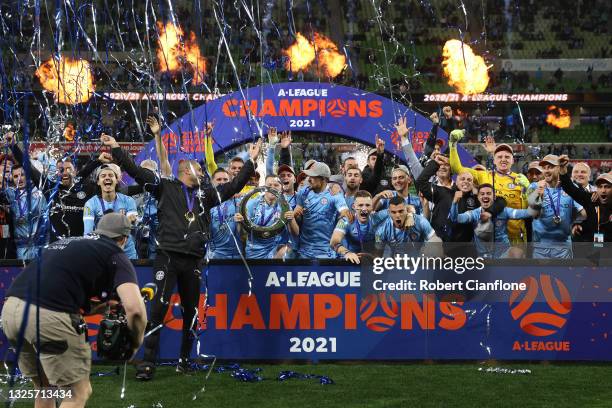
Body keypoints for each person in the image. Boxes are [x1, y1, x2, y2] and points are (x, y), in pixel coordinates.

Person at [104, 117, 260, 379]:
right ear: (186, 171)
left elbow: (233, 187)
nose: (202, 172)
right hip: (167, 257)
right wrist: (117, 148)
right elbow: (137, 170)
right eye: (199, 169)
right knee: (157, 311)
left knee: (191, 311)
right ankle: (147, 363)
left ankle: (185, 360)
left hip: (194, 260)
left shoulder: (206, 195)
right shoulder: (165, 187)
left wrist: (251, 161)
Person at [1, 213, 146, 408]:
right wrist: (135, 344)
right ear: (124, 239)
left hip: (10, 310)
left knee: (45, 389)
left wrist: (98, 307)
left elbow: (55, 287)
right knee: (77, 394)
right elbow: (135, 310)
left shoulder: (68, 242)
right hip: (47, 316)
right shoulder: (115, 254)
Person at [449, 132, 530, 244]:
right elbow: (456, 168)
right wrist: (453, 144)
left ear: (512, 160)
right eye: (499, 157)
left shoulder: (520, 180)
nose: (503, 159)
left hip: (516, 237)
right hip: (492, 238)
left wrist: (529, 188)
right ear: (494, 160)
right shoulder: (484, 176)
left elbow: (532, 206)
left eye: (507, 157)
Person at [450, 184, 537, 258]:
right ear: (478, 197)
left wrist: (537, 198)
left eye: (488, 193)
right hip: (483, 255)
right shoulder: (474, 214)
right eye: (482, 194)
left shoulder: (504, 211)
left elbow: (527, 213)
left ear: (494, 196)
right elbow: (455, 219)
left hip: (503, 253)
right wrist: (455, 202)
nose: (485, 196)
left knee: (517, 253)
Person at [531, 155, 586, 259]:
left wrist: (576, 222)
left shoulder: (569, 189)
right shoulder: (535, 187)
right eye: (544, 168)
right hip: (540, 247)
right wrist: (539, 197)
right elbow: (532, 214)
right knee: (541, 275)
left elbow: (584, 214)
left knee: (562, 275)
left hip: (563, 247)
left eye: (550, 167)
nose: (546, 171)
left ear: (559, 168)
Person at [293, 162, 351, 258]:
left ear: (323, 179)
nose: (309, 179)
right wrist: (294, 215)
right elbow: (296, 214)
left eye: (313, 176)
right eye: (309, 176)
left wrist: (338, 231)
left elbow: (346, 215)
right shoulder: (303, 192)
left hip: (326, 252)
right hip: (304, 252)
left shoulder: (335, 195)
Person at [83, 164, 139, 259]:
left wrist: (132, 220)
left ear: (117, 180)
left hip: (127, 253)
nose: (107, 178)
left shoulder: (128, 201)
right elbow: (88, 234)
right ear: (98, 182)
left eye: (111, 175)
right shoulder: (90, 204)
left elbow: (133, 222)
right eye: (103, 176)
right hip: (102, 252)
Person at [237, 174, 298, 258]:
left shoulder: (285, 206)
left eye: (276, 185)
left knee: (287, 252)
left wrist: (291, 219)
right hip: (254, 252)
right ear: (264, 187)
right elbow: (241, 233)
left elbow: (296, 233)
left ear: (281, 188)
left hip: (274, 250)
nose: (272, 188)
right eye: (269, 185)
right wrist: (240, 223)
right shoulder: (252, 203)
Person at [559, 156, 611, 244]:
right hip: (591, 244)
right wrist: (563, 170)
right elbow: (570, 188)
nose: (603, 190)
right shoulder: (592, 198)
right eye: (600, 187)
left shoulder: (595, 195)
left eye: (607, 187)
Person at [330, 190, 387, 263]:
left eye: (367, 205)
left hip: (369, 262)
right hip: (347, 262)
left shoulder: (377, 219)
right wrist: (347, 253)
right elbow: (333, 242)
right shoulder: (346, 220)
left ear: (372, 206)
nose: (364, 209)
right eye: (360, 205)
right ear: (354, 206)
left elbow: (400, 209)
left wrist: (407, 215)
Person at [4, 165, 47, 259]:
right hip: (21, 248)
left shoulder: (41, 193)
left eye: (22, 175)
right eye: (15, 176)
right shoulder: (10, 194)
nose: (19, 179)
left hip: (41, 246)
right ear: (12, 179)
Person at [375, 195, 440, 256]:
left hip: (419, 260)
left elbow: (435, 239)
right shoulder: (381, 231)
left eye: (401, 211)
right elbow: (378, 254)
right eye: (393, 212)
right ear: (389, 212)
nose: (397, 215)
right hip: (396, 261)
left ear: (407, 210)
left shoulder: (420, 221)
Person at [207, 168, 243, 259]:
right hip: (213, 256)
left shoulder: (240, 203)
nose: (222, 182)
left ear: (230, 182)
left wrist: (241, 223)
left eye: (225, 180)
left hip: (236, 256)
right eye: (218, 179)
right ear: (212, 182)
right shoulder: (206, 204)